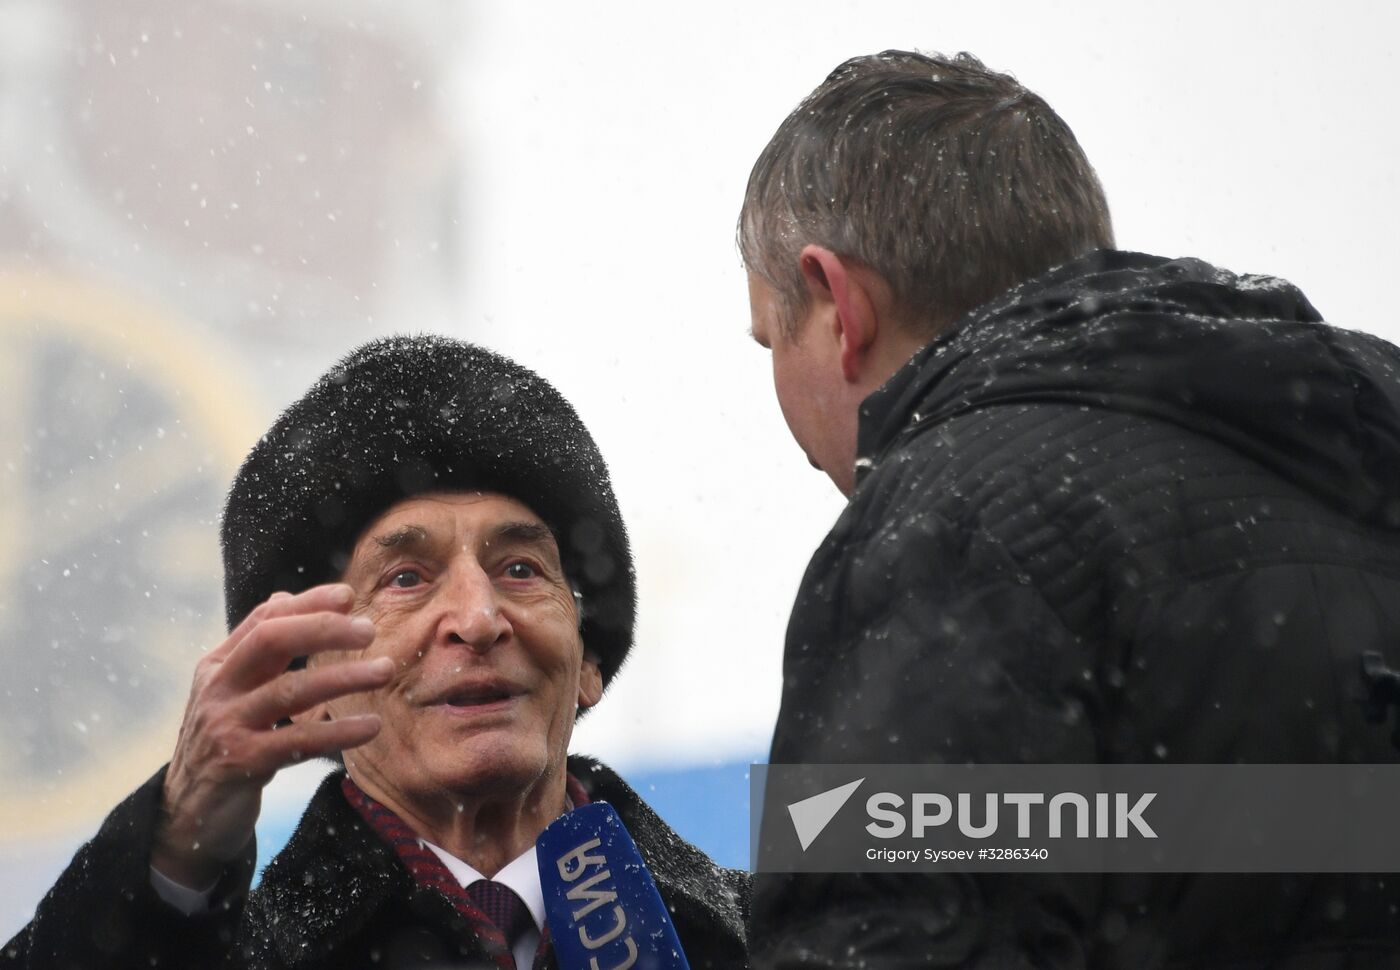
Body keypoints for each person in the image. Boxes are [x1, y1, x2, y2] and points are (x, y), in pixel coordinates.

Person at [739, 50, 1400, 967]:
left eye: (771, 334)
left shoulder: (947, 527)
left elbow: (882, 936)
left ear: (839, 304)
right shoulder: (1356, 450)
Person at [3, 336, 749, 969]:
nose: (479, 618)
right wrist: (175, 848)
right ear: (311, 687)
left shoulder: (784, 927)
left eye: (520, 569)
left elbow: (858, 818)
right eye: (406, 579)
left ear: (587, 662)